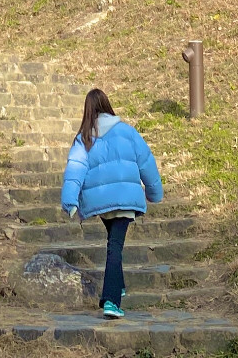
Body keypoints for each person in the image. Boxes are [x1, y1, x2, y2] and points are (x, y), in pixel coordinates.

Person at [59, 87, 163, 320]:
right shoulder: (127, 132)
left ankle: (116, 288)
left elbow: (75, 169)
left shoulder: (84, 137)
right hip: (126, 198)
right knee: (115, 246)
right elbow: (147, 162)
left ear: (87, 111)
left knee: (113, 244)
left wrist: (70, 201)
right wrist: (154, 193)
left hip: (103, 203)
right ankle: (112, 301)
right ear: (107, 106)